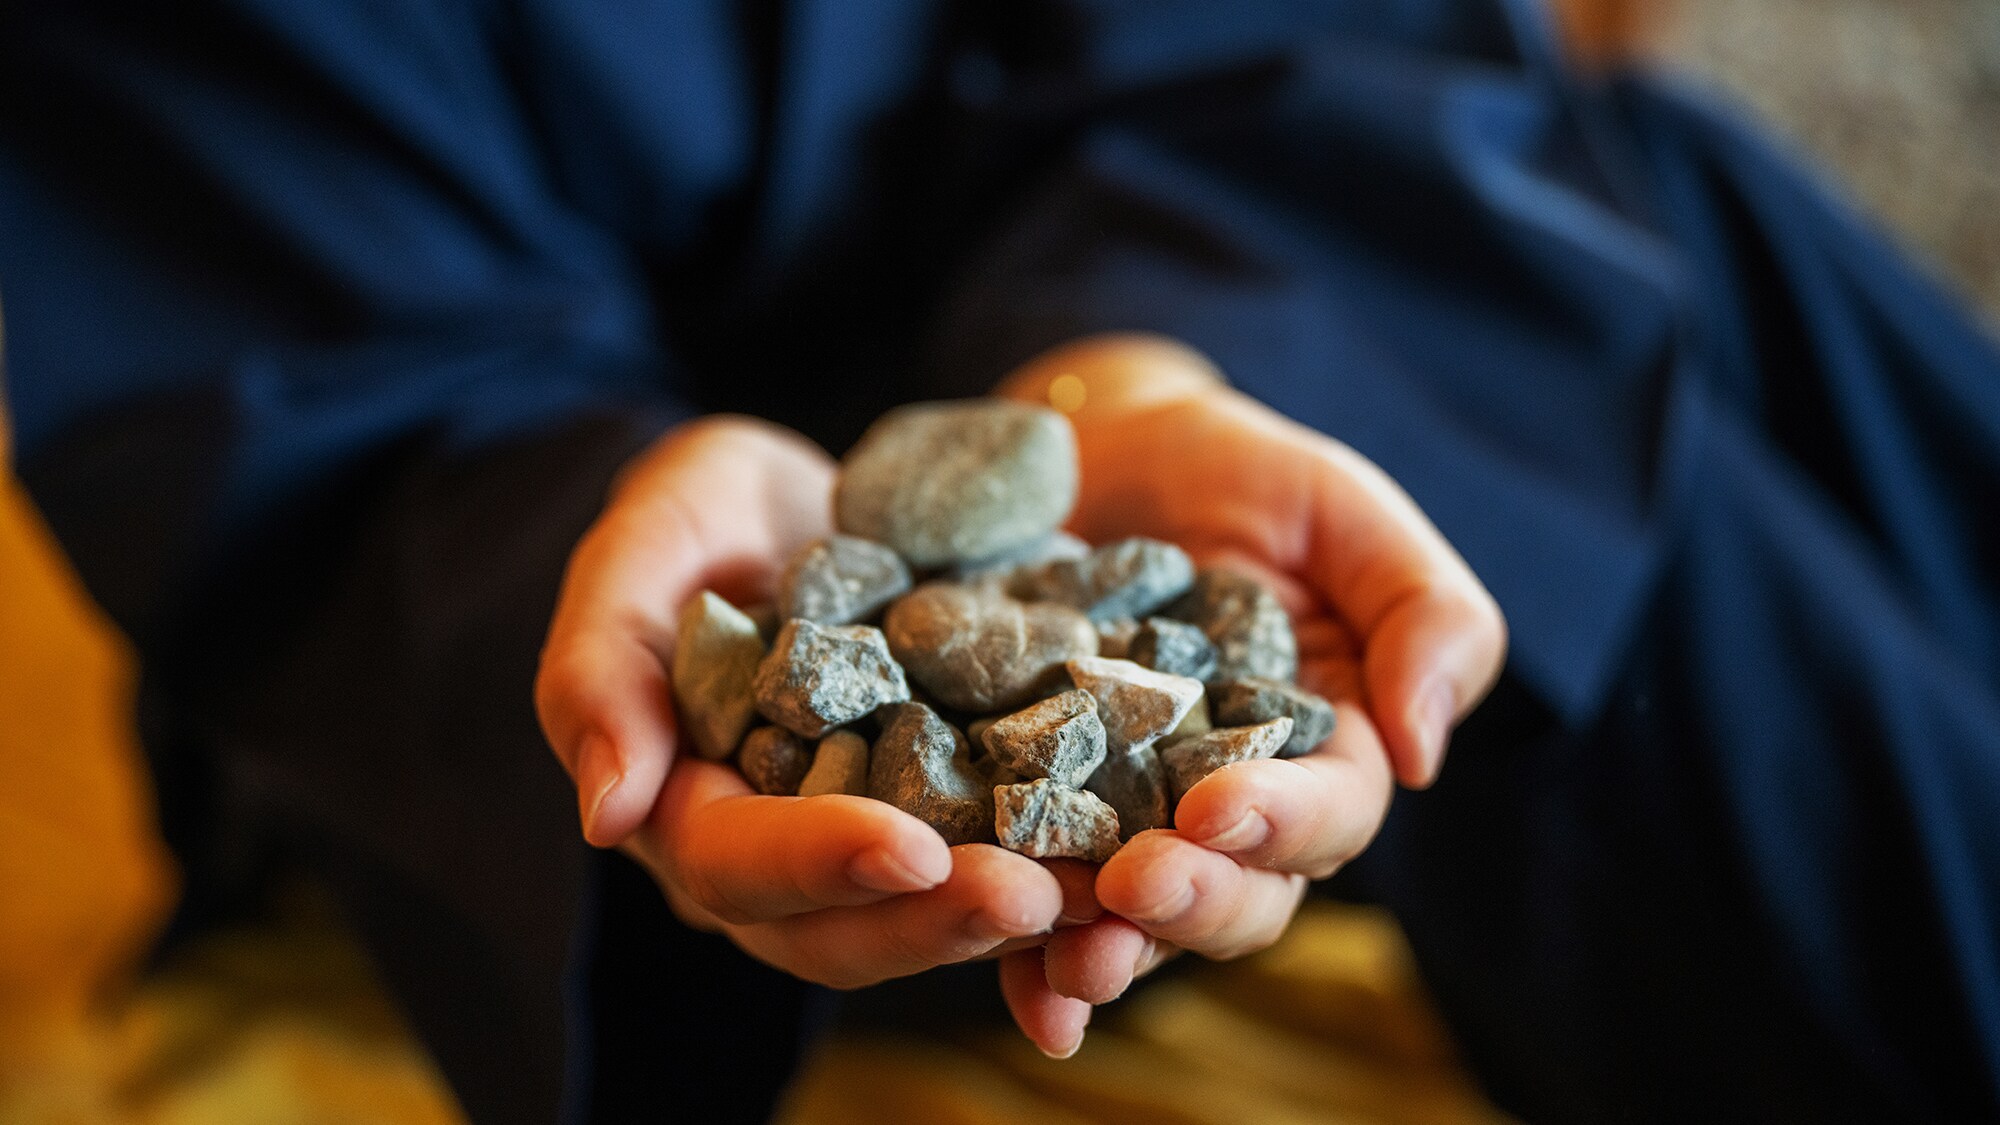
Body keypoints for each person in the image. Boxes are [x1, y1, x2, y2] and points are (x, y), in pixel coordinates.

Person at [2, 1, 1995, 1123]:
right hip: (519, 546)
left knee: (1646, 205)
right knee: (1641, 559)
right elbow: (294, 368)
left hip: (1091, 317)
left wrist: (1141, 356)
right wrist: (668, 545)